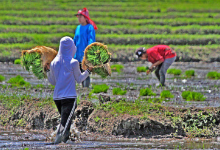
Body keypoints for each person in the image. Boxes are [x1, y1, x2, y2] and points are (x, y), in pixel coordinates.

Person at [46, 36, 93, 144]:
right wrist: (88, 71)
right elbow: (79, 79)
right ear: (71, 48)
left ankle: (65, 142)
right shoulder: (74, 62)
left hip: (57, 98)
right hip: (69, 98)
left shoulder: (53, 63)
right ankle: (56, 144)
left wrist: (48, 72)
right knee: (64, 124)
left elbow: (53, 82)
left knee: (66, 121)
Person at [73, 7, 97, 87]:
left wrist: (88, 54)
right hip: (77, 55)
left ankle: (85, 90)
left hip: (85, 55)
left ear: (85, 18)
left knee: (86, 73)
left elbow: (91, 41)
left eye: (80, 16)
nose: (79, 18)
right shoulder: (78, 28)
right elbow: (75, 40)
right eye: (78, 17)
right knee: (78, 73)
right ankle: (81, 90)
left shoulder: (90, 28)